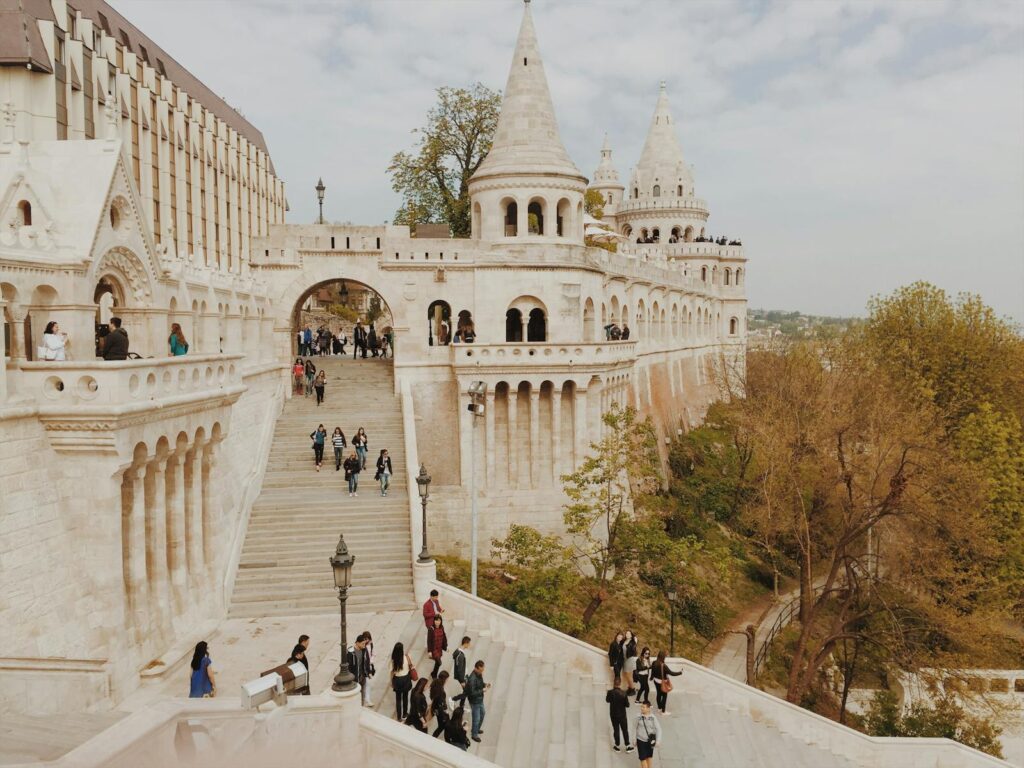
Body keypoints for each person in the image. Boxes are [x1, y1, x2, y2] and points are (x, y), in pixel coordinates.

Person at [464, 660, 490, 742]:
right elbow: (472, 693)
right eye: (481, 670)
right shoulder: (472, 679)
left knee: (483, 713)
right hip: (474, 701)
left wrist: (484, 684)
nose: (482, 672)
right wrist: (483, 690)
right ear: (476, 668)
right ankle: (474, 735)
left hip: (480, 699)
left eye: (483, 670)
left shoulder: (479, 674)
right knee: (476, 719)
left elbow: (480, 683)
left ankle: (476, 729)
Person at [650, 650, 682, 715]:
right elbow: (672, 673)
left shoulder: (654, 662)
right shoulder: (663, 666)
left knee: (658, 694)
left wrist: (651, 677)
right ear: (663, 657)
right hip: (662, 683)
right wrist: (680, 672)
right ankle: (663, 711)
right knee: (664, 696)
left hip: (656, 681)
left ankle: (659, 708)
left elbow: (652, 671)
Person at [389, 641, 414, 722]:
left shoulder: (393, 661)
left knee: (398, 699)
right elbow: (411, 666)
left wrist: (391, 682)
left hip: (397, 680)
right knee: (405, 697)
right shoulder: (406, 657)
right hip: (406, 679)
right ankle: (405, 714)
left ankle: (399, 717)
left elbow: (392, 672)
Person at [606, 681, 633, 753]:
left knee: (616, 730)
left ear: (614, 684)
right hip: (622, 715)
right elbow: (627, 705)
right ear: (620, 684)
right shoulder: (624, 693)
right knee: (625, 730)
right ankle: (627, 745)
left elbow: (607, 700)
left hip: (613, 715)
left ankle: (617, 746)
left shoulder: (610, 692)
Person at [635, 700, 661, 767]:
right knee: (642, 758)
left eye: (644, 707)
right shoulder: (638, 716)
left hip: (649, 741)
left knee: (648, 757)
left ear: (648, 708)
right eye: (641, 707)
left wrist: (658, 740)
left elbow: (658, 729)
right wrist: (633, 739)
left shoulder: (653, 718)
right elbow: (634, 727)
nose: (642, 708)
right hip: (640, 740)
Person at [347, 633, 369, 703]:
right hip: (355, 678)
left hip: (362, 676)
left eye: (365, 644)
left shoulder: (364, 650)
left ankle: (362, 706)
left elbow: (366, 661)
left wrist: (367, 672)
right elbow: (349, 667)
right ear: (357, 643)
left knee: (363, 694)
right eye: (363, 644)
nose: (364, 645)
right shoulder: (350, 653)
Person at [430, 671, 451, 738]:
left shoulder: (436, 684)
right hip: (440, 711)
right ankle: (434, 737)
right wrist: (446, 710)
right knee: (444, 725)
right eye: (447, 679)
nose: (448, 680)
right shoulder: (440, 690)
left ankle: (434, 737)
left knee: (442, 725)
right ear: (444, 679)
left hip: (436, 709)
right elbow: (440, 703)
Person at [427, 615, 448, 679]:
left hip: (439, 648)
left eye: (439, 620)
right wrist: (429, 651)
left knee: (437, 662)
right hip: (434, 649)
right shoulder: (431, 629)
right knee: (439, 662)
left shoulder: (442, 627)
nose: (437, 622)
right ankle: (434, 674)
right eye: (436, 620)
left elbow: (444, 637)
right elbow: (429, 640)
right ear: (434, 621)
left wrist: (446, 646)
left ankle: (433, 673)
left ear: (441, 621)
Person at [362, 630, 376, 707]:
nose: (367, 640)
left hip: (368, 667)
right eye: (365, 639)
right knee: (363, 684)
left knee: (367, 684)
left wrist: (371, 662)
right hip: (363, 667)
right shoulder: (362, 646)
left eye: (368, 638)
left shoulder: (371, 645)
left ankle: (367, 700)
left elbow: (373, 654)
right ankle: (364, 700)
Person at [622, 630, 638, 696]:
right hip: (625, 660)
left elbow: (633, 649)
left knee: (629, 676)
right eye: (626, 633)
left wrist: (635, 641)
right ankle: (630, 688)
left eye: (629, 633)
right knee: (628, 675)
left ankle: (633, 689)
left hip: (629, 660)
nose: (627, 634)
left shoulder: (632, 642)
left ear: (631, 635)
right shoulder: (624, 641)